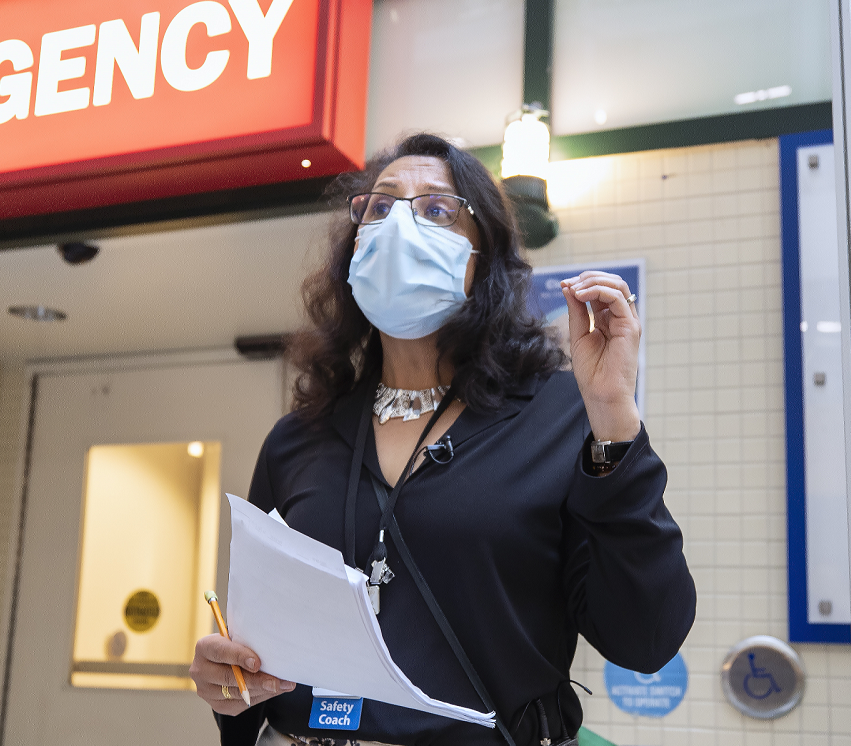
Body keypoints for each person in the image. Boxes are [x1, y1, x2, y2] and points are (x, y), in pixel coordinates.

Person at [189, 133, 696, 746]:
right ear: (355, 251)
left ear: (483, 259)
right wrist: (227, 681)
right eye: (380, 207)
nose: (400, 225)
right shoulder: (300, 438)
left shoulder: (562, 416)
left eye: (436, 209)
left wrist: (614, 416)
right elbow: (254, 652)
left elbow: (645, 638)